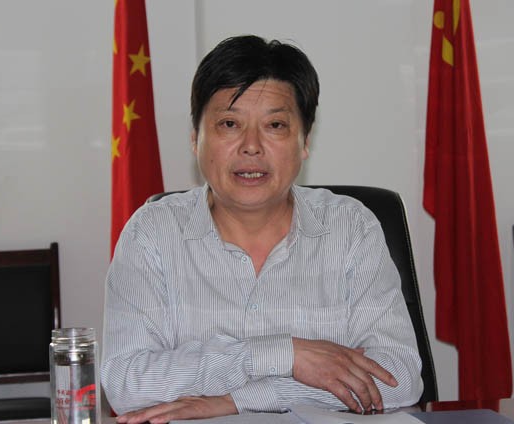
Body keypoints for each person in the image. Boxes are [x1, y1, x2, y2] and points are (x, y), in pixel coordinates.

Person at [101, 35, 423, 423]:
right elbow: (127, 384)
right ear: (195, 139)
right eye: (229, 124)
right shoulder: (151, 234)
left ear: (304, 141)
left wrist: (241, 400)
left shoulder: (351, 228)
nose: (251, 146)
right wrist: (284, 354)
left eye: (275, 125)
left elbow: (399, 379)